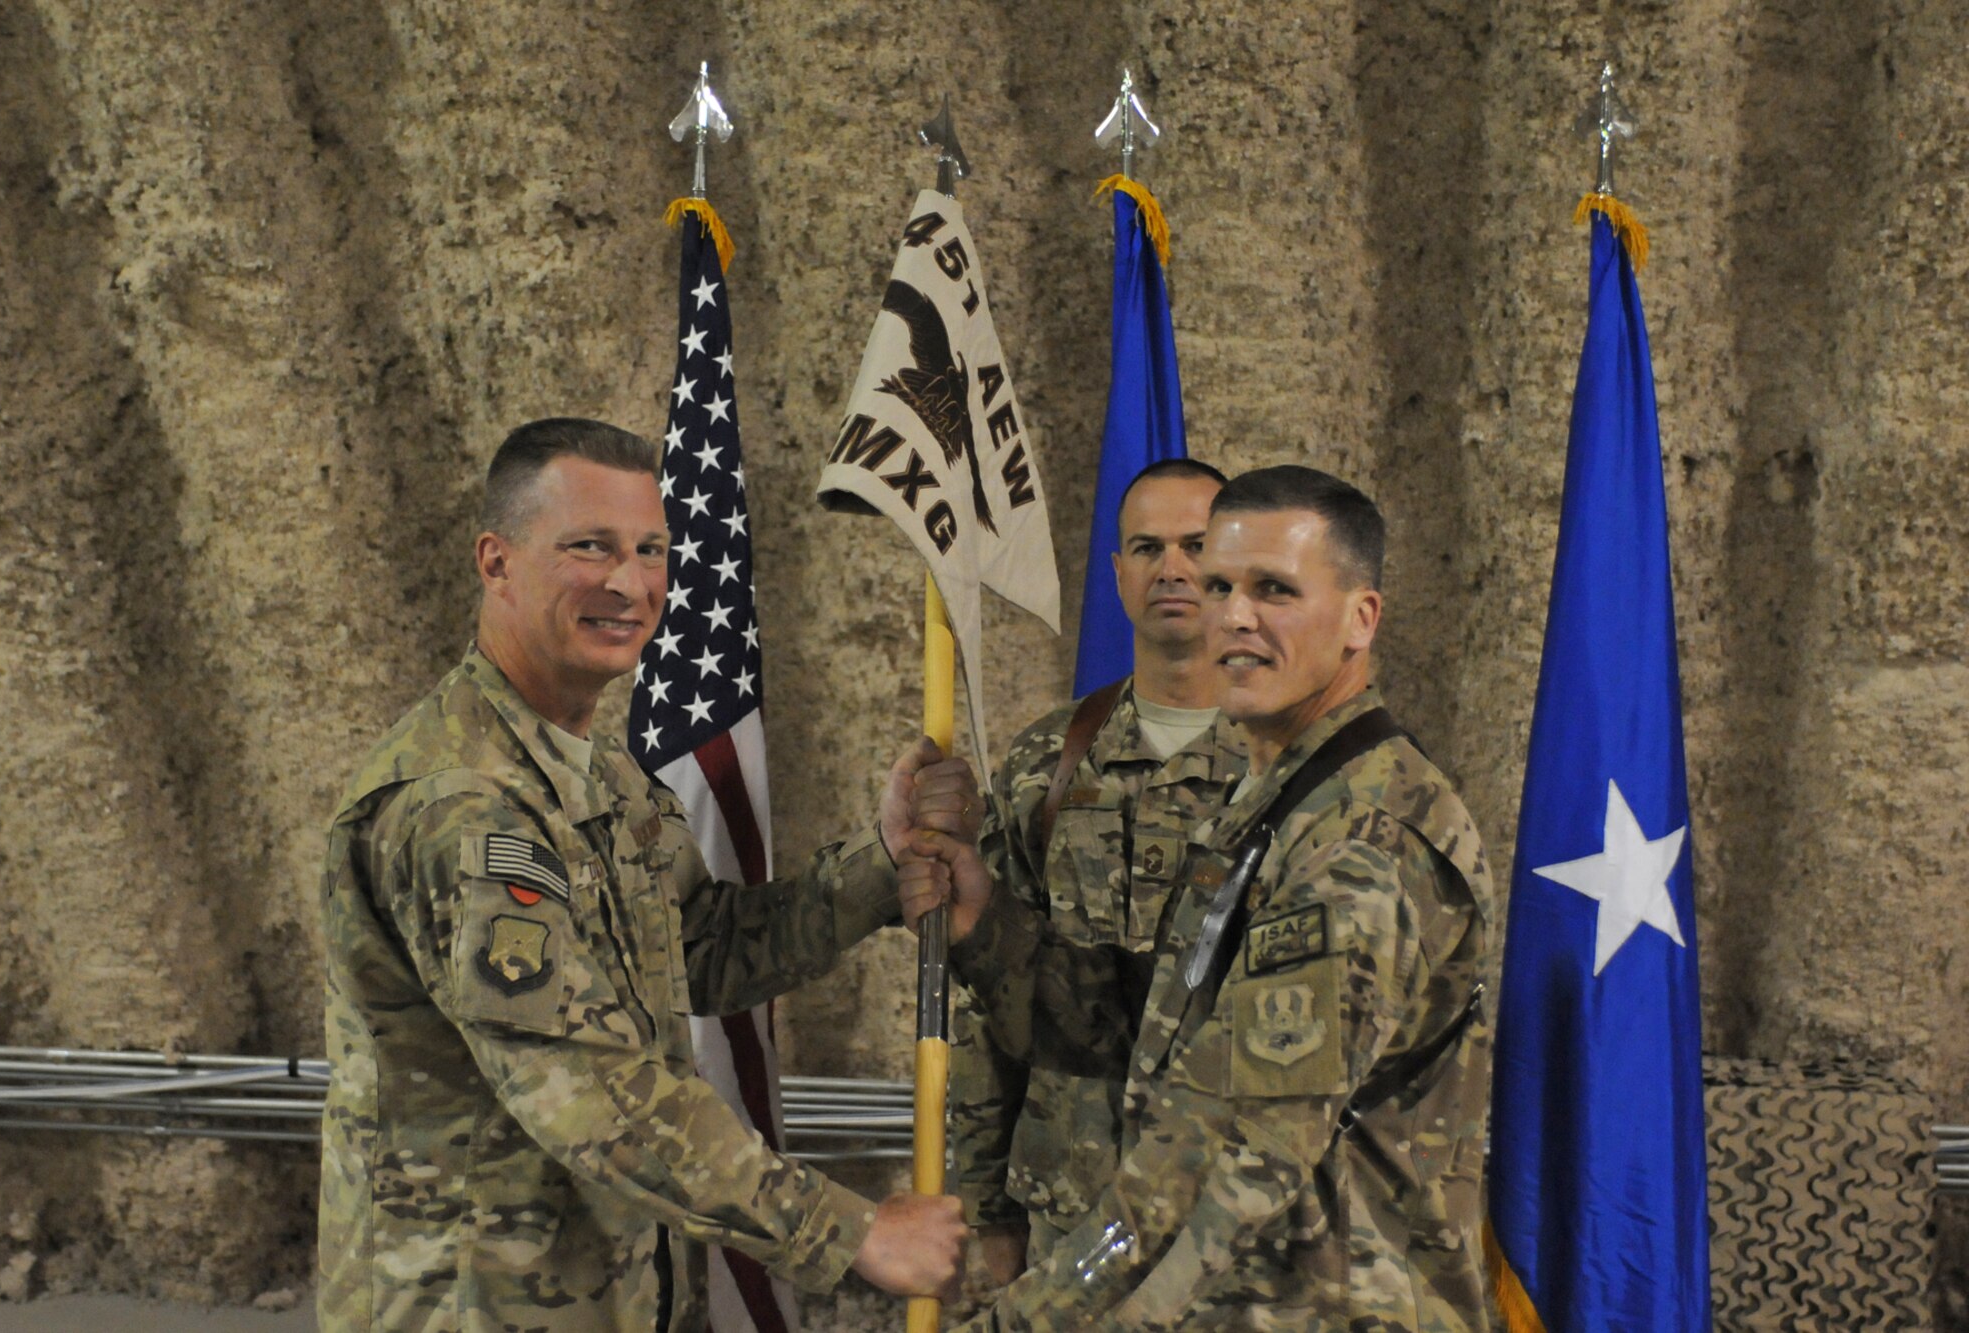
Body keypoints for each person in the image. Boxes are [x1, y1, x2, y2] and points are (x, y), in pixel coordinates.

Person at [319, 418, 971, 1332]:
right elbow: (587, 1087)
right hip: (479, 1304)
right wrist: (850, 1230)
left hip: (612, 1289)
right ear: (496, 561)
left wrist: (880, 865)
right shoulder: (463, 807)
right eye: (590, 548)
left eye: (650, 550)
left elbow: (699, 950)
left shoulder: (594, 768)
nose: (629, 584)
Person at [903, 464, 1495, 1329]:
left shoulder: (1359, 843)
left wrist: (1024, 1320)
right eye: (1220, 586)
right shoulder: (1278, 800)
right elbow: (1164, 1046)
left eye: (1275, 590)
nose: (1234, 616)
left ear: (1361, 618)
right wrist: (989, 929)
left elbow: (1233, 1149)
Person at [950, 458, 1247, 1283]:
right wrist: (983, 1209)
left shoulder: (1288, 766)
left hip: (1233, 1224)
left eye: (1196, 545)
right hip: (1069, 1215)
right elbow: (987, 998)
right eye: (1147, 547)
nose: (1173, 568)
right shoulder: (1050, 761)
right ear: (1118, 575)